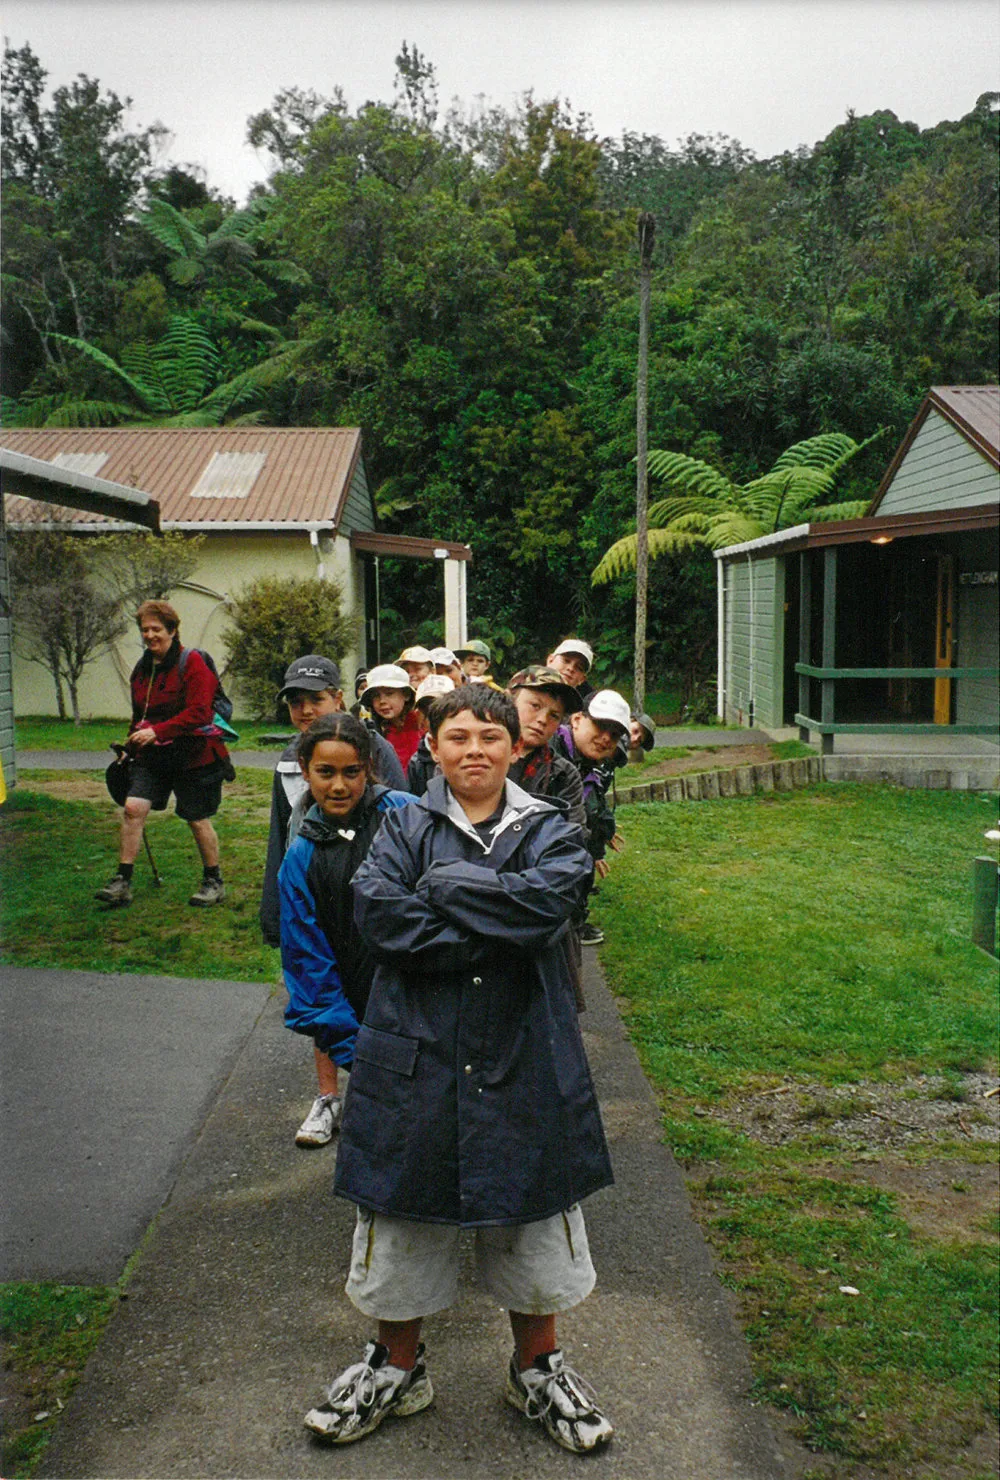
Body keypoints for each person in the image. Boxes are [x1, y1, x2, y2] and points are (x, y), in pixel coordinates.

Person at [303, 686, 614, 1454]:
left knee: (533, 1213)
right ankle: (395, 1366)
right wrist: (492, 921)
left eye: (489, 736)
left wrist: (441, 892)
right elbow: (379, 915)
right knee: (402, 1210)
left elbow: (549, 908)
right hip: (416, 1052)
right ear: (432, 749)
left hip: (523, 1050)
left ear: (515, 748)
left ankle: (538, 1367)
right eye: (457, 736)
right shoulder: (402, 825)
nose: (473, 749)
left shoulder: (551, 827)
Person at [259, 656, 405, 1147]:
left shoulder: (404, 817)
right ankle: (335, 1097)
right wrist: (354, 1052)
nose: (338, 785)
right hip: (345, 984)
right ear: (306, 769)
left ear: (370, 768)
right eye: (324, 772)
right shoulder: (302, 858)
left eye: (351, 772)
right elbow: (309, 965)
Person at [95, 600, 230, 909]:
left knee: (196, 818)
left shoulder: (192, 662)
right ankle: (122, 882)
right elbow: (139, 714)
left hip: (193, 755)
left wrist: (158, 731)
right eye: (145, 629)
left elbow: (200, 712)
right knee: (132, 809)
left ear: (172, 630)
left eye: (157, 629)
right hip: (153, 758)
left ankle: (213, 881)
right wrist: (129, 749)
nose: (150, 635)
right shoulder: (142, 671)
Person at [550, 689, 631, 946]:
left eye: (615, 734)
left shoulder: (589, 762)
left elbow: (592, 811)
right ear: (576, 720)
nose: (606, 738)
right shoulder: (550, 753)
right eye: (600, 725)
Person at [365, 663, 423, 771]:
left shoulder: (421, 724)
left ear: (406, 695)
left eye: (389, 694)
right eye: (376, 696)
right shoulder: (372, 732)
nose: (382, 701)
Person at [406, 673, 454, 796]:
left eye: (443, 708)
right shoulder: (417, 762)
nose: (434, 715)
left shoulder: (471, 749)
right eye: (426, 710)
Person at [545, 639, 595, 704]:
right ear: (550, 660)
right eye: (566, 661)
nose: (571, 668)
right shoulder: (528, 687)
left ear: (582, 679)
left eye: (579, 668)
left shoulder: (579, 710)